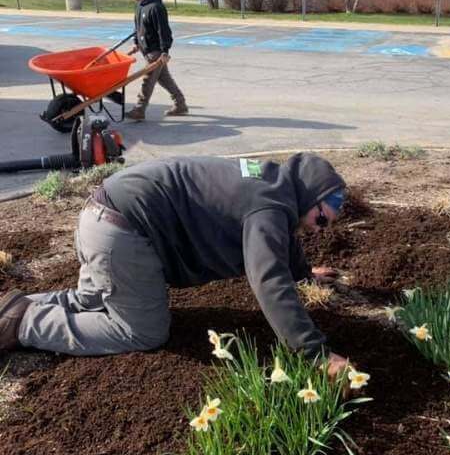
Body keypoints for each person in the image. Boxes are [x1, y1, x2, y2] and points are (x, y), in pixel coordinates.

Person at [0, 152, 349, 376]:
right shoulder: (271, 209)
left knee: (93, 302)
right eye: (320, 220)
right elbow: (268, 279)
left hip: (102, 216)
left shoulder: (272, 183)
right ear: (311, 196)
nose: (316, 231)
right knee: (141, 331)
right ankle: (23, 324)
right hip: (124, 234)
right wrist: (315, 354)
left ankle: (21, 306)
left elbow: (282, 239)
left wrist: (303, 273)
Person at [124, 0, 188, 121]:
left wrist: (165, 51)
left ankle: (139, 109)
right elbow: (138, 27)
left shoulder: (156, 7)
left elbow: (164, 31)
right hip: (147, 50)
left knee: (148, 80)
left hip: (156, 52)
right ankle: (180, 104)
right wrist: (137, 43)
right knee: (164, 79)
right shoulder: (141, 5)